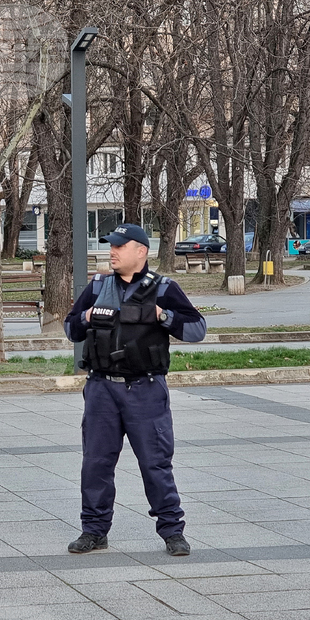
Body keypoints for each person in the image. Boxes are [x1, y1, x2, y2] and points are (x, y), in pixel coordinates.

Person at [63, 223, 207, 556]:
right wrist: (85, 317)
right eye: (111, 246)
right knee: (95, 463)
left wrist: (162, 315)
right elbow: (71, 328)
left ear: (140, 252)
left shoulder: (164, 288)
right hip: (102, 388)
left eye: (119, 247)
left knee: (155, 463)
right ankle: (94, 530)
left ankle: (172, 532)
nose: (111, 252)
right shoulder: (98, 286)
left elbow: (197, 329)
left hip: (145, 390)